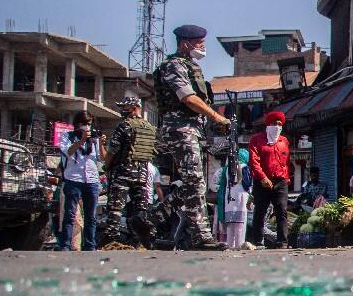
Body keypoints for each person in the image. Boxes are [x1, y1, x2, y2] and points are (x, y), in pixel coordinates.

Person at [153, 24, 230, 250]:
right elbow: (188, 98)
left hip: (191, 129)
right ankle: (201, 237)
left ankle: (149, 219)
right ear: (185, 43)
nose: (203, 47)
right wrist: (217, 117)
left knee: (193, 183)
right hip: (179, 130)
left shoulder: (190, 66)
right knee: (195, 182)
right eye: (199, 43)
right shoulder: (173, 65)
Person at [98, 96, 158, 248]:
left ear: (134, 108)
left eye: (125, 107)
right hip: (142, 174)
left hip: (123, 171)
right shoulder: (150, 127)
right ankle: (139, 241)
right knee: (139, 210)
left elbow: (112, 151)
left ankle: (111, 241)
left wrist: (106, 167)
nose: (122, 111)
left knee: (115, 208)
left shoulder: (125, 126)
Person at [60, 112, 105, 251]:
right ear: (77, 124)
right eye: (84, 123)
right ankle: (65, 245)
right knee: (70, 214)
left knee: (91, 216)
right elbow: (68, 152)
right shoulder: (67, 136)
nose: (87, 127)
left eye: (89, 124)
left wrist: (102, 143)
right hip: (73, 179)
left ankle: (90, 245)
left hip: (91, 180)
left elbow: (102, 158)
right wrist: (81, 140)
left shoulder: (94, 139)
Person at [247, 111, 292, 247]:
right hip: (262, 182)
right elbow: (254, 161)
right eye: (274, 124)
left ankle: (282, 242)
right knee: (260, 212)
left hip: (280, 181)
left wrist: (287, 178)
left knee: (282, 211)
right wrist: (263, 178)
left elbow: (286, 162)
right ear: (268, 124)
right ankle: (258, 241)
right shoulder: (256, 139)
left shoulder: (284, 141)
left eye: (280, 124)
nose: (277, 127)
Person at [214, 149, 252, 249]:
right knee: (240, 224)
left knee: (230, 225)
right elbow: (247, 184)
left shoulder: (226, 169)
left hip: (229, 199)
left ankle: (230, 245)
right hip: (241, 198)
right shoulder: (244, 167)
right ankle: (239, 245)